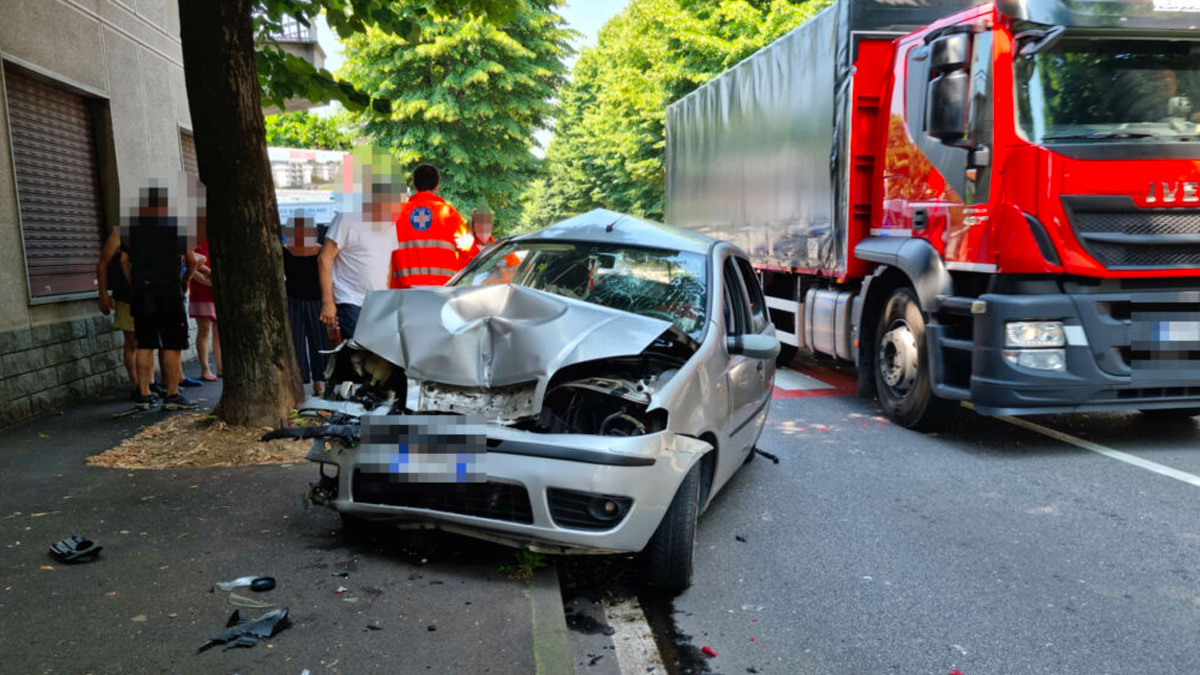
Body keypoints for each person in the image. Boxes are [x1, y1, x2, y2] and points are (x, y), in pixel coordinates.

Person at [127, 178, 200, 411]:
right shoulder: (176, 227)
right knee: (172, 343)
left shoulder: (132, 229)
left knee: (145, 342)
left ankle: (145, 394)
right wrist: (185, 280)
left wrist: (136, 284)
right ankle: (172, 393)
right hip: (169, 289)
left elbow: (124, 261)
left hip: (142, 290)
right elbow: (191, 260)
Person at [318, 168, 402, 340]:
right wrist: (328, 302)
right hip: (351, 300)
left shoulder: (390, 224)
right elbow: (324, 259)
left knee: (377, 358)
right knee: (359, 355)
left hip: (379, 302)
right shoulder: (346, 219)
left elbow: (389, 263)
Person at [390, 163, 474, 289]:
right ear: (437, 186)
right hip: (441, 293)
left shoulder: (397, 214)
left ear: (414, 185)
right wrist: (455, 276)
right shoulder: (449, 213)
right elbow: (470, 252)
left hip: (404, 294)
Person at [283, 212, 327, 396]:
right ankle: (299, 383)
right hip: (293, 300)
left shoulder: (321, 250)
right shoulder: (284, 250)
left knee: (319, 342)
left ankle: (319, 381)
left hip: (317, 300)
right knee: (296, 343)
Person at [97, 229, 139, 398]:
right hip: (125, 296)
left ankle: (148, 383)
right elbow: (102, 264)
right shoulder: (119, 232)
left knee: (147, 343)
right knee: (133, 342)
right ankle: (136, 382)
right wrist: (103, 294)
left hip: (148, 294)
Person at [188, 238, 221, 381]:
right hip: (201, 288)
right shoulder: (194, 236)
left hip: (217, 288)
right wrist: (206, 281)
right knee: (204, 329)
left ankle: (220, 366)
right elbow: (190, 264)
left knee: (219, 330)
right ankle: (205, 368)